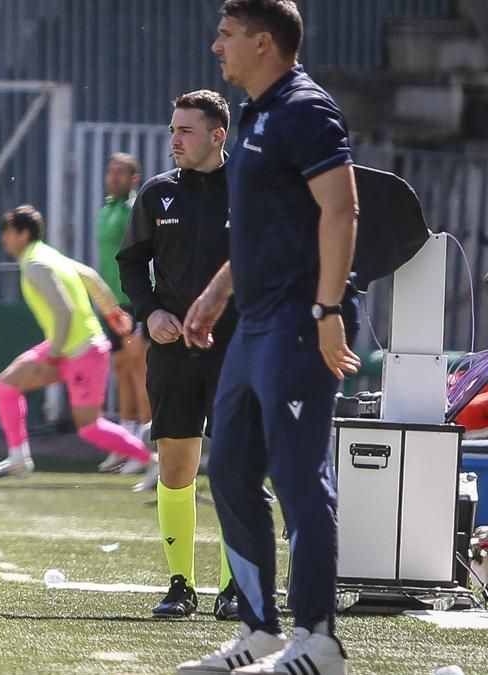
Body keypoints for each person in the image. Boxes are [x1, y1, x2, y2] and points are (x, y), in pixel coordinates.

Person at [177, 2, 360, 673]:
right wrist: (218, 289)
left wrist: (328, 308)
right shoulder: (255, 112)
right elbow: (264, 225)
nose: (215, 46)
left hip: (298, 324)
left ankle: (320, 638)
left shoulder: (307, 109)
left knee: (297, 478)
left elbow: (341, 208)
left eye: (226, 35)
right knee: (226, 468)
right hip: (253, 323)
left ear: (263, 42)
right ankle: (259, 628)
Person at [116, 89, 240, 620]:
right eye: (171, 130)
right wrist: (150, 313)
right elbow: (130, 263)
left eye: (185, 131)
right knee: (176, 465)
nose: (174, 140)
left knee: (237, 467)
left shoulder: (251, 190)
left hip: (238, 348)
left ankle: (240, 587)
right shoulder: (155, 194)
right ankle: (181, 583)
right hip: (172, 352)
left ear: (218, 135)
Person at [0, 205, 152, 479]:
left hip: (82, 351)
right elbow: (90, 277)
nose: (4, 239)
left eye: (8, 233)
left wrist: (54, 354)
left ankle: (151, 460)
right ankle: (18, 458)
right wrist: (110, 311)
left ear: (23, 234)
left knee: (89, 426)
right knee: (6, 384)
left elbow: (64, 311)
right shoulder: (47, 255)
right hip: (71, 347)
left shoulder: (35, 264)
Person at [95, 153, 153, 475]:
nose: (113, 177)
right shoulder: (105, 211)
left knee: (137, 369)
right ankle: (126, 442)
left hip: (131, 303)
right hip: (110, 304)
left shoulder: (133, 210)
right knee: (121, 370)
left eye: (121, 172)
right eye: (110, 171)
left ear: (133, 179)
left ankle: (146, 446)